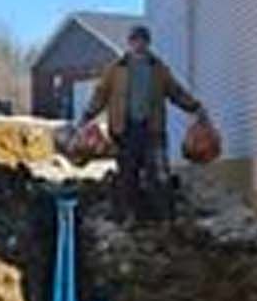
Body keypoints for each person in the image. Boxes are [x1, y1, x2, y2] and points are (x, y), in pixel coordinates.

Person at [78, 24, 203, 222]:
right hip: (124, 130)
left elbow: (175, 91)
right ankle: (129, 217)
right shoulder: (116, 68)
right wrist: (88, 115)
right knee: (128, 175)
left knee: (159, 176)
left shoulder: (158, 68)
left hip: (152, 129)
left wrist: (194, 107)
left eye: (143, 41)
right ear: (129, 43)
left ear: (148, 43)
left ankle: (165, 218)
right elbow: (101, 94)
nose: (139, 45)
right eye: (135, 41)